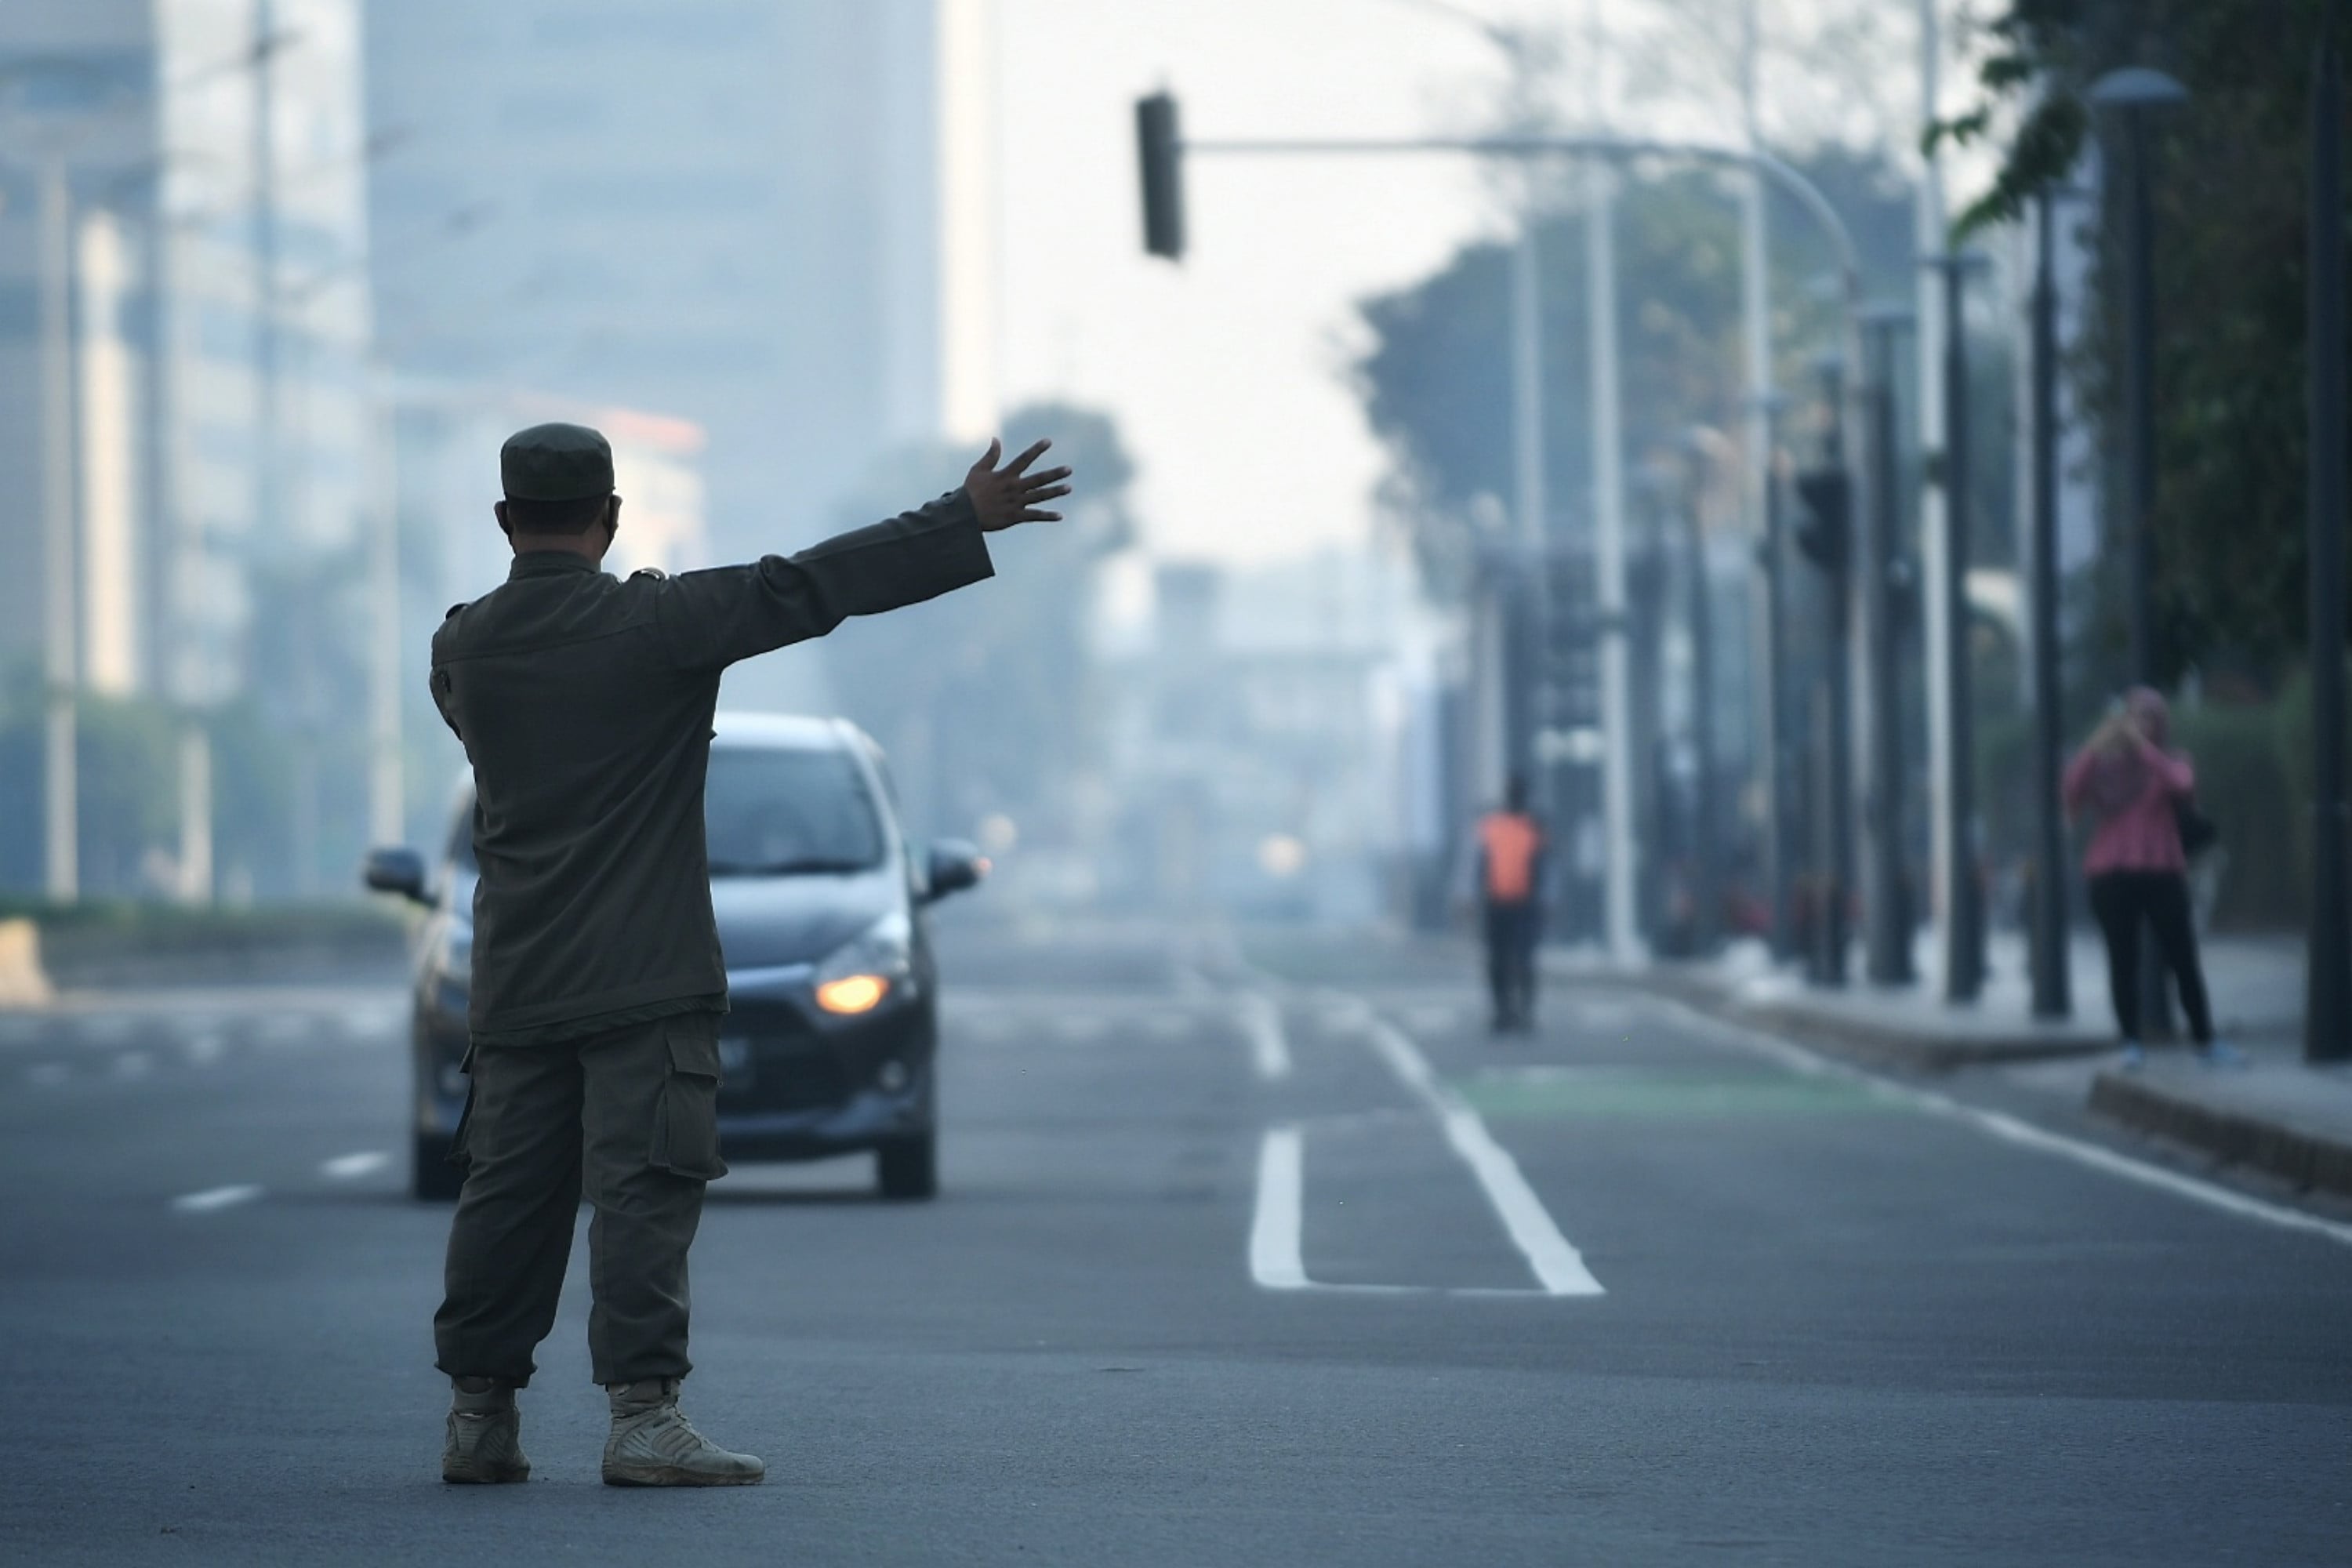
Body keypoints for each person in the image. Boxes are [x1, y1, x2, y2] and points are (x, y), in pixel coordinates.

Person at [429, 422, 1070, 1486]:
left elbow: (484, 732)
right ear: (612, 516)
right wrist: (962, 520)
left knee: (509, 1194)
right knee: (642, 1189)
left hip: (519, 971)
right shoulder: (659, 623)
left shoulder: (464, 645)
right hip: (644, 971)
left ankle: (478, 1418)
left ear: (505, 521)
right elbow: (813, 586)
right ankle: (641, 1419)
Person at [2060, 686, 2235, 1069]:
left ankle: (2205, 1039)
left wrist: (2142, 748)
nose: (2141, 724)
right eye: (2135, 717)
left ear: (2161, 723)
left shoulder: (2171, 759)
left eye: (2149, 717)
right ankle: (2130, 1041)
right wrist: (2096, 745)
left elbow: (2182, 784)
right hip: (2111, 874)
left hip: (2162, 871)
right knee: (2123, 961)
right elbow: (2071, 790)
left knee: (2183, 957)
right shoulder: (2105, 767)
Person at [1475, 775, 1548, 1033]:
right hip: (1497, 904)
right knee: (1498, 961)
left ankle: (1525, 1011)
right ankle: (1502, 1011)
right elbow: (1481, 865)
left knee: (1523, 960)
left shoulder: (1534, 826)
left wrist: (1547, 900)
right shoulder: (1491, 826)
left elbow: (1544, 867)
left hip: (1524, 904)